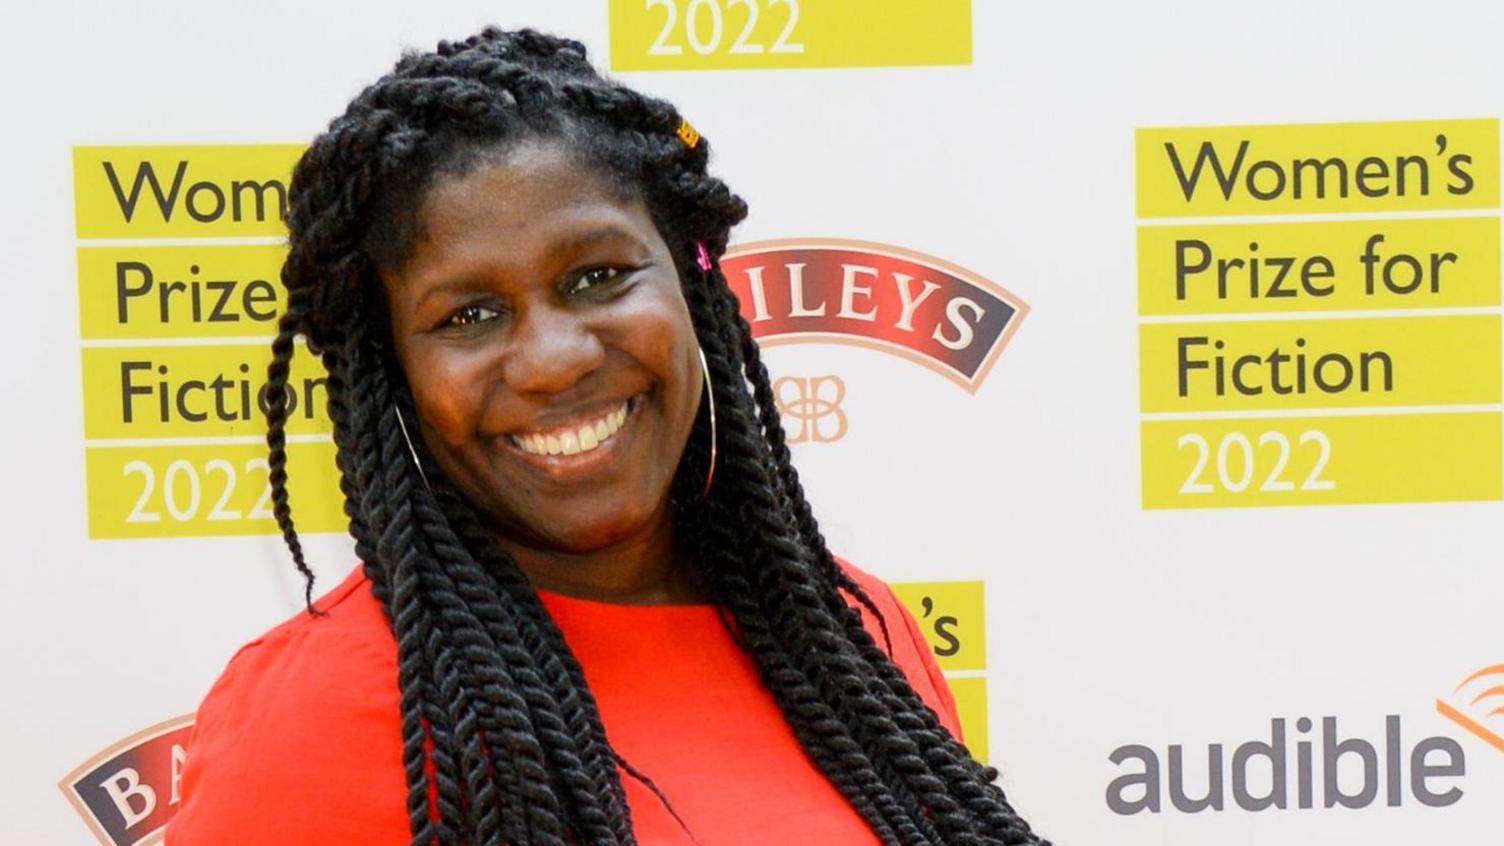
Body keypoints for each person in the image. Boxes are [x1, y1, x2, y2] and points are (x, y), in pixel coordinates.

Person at [168, 26, 1051, 846]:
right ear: (393, 371)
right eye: (469, 314)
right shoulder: (313, 721)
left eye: (598, 275)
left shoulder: (857, 636)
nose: (553, 361)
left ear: (692, 284)